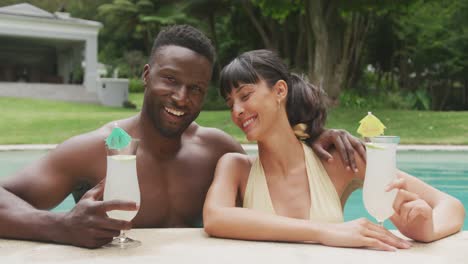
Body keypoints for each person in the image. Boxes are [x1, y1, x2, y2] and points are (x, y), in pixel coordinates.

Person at [0, 25, 363, 249]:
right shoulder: (97, 150)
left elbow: (278, 175)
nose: (181, 98)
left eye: (196, 88)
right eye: (170, 80)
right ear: (146, 74)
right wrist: (60, 225)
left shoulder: (216, 152)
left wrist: (313, 137)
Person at [203, 49, 465, 251]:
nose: (236, 111)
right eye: (230, 103)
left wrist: (426, 227)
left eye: (245, 96)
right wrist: (324, 232)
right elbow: (215, 218)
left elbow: (451, 205)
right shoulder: (236, 167)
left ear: (280, 90)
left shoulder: (337, 160)